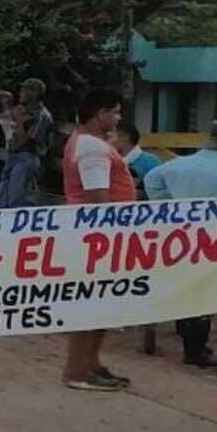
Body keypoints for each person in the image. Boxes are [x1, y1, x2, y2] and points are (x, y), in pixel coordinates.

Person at [144, 118, 217, 370]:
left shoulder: (178, 165)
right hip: (213, 237)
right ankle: (195, 351)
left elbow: (151, 179)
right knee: (207, 292)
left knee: (185, 284)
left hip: (178, 234)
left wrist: (168, 206)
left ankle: (189, 337)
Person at [61, 88, 136, 392]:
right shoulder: (92, 148)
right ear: (99, 113)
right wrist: (112, 233)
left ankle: (90, 364)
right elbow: (98, 201)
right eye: (115, 112)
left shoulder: (90, 142)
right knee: (91, 302)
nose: (118, 119)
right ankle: (77, 370)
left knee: (101, 302)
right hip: (98, 237)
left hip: (98, 236)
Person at [0, 77, 55, 208]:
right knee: (1, 201)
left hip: (27, 157)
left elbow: (24, 141)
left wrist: (20, 121)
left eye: (25, 90)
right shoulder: (21, 109)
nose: (21, 93)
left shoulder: (43, 116)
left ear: (35, 94)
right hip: (13, 155)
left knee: (15, 200)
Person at [115, 121, 160, 193]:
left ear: (125, 137)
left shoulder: (151, 162)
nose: (107, 141)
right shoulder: (108, 160)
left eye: (110, 137)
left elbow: (160, 189)